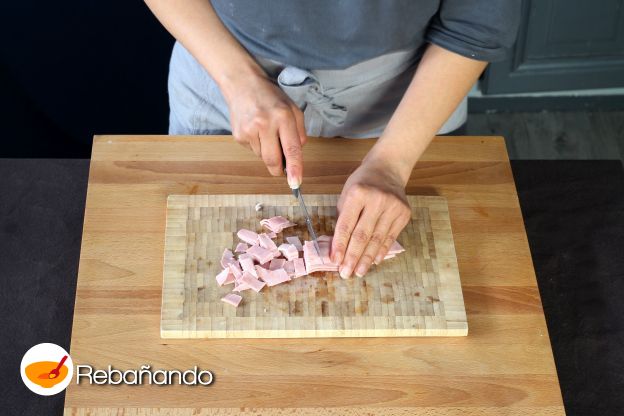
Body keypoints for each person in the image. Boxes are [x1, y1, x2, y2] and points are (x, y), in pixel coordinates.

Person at [145, 0, 521, 279]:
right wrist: (238, 80)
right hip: (220, 63)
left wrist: (392, 163)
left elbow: (478, 21)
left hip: (413, 94)